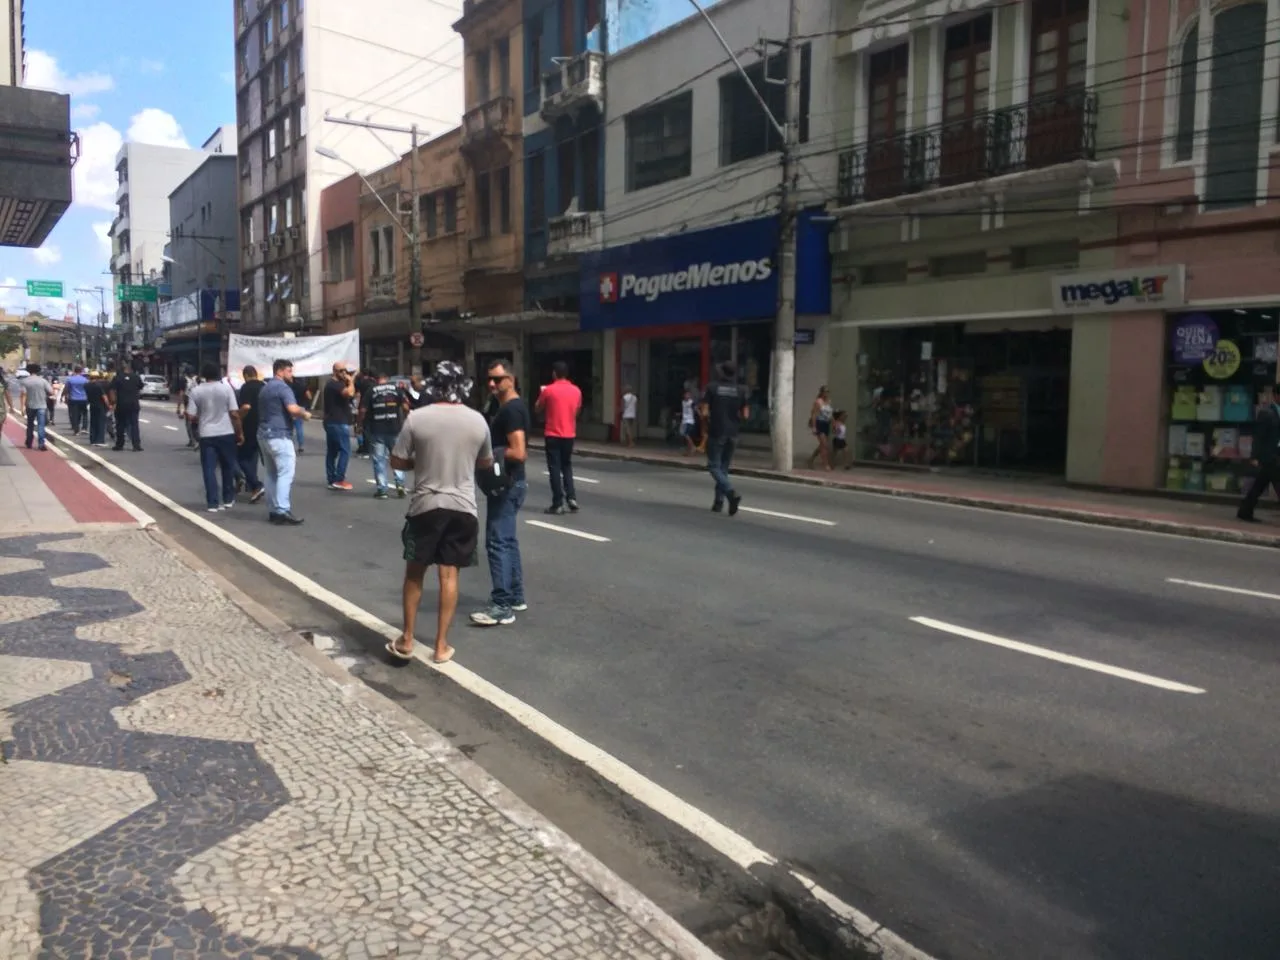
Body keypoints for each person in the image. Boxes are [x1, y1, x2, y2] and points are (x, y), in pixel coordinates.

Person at [386, 361, 494, 664]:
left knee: (415, 572)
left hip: (425, 506)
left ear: (435, 386)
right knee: (449, 575)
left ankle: (407, 639)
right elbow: (485, 463)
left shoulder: (416, 418)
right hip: (462, 508)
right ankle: (441, 645)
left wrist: (421, 463)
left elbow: (396, 461)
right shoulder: (477, 421)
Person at [471, 358, 529, 627]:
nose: (492, 384)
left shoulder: (512, 411)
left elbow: (519, 452)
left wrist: (492, 454)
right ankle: (515, 596)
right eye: (489, 380)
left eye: (498, 379)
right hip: (511, 483)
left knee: (497, 542)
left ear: (511, 379)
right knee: (508, 540)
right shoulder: (505, 407)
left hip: (507, 484)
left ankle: (502, 605)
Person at [258, 358, 311, 525]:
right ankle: (282, 509)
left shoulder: (265, 388)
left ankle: (273, 510)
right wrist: (305, 413)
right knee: (285, 473)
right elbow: (293, 409)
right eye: (289, 370)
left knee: (271, 473)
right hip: (279, 434)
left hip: (263, 434)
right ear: (280, 371)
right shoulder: (283, 387)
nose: (291, 374)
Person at [187, 363, 243, 513]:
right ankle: (228, 499)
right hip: (226, 432)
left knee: (209, 469)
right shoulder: (226, 389)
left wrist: (202, 417)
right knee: (228, 466)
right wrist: (239, 433)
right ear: (219, 374)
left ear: (204, 375)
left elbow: (191, 415)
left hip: (207, 434)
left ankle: (212, 503)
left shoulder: (196, 391)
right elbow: (234, 413)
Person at [703, 361, 750, 516]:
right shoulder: (742, 390)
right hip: (733, 432)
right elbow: (745, 414)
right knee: (723, 468)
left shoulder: (712, 387)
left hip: (717, 431)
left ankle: (730, 492)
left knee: (713, 466)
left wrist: (707, 423)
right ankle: (719, 502)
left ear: (722, 372)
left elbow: (704, 412)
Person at [536, 360, 582, 515]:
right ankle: (571, 497)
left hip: (553, 434)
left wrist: (542, 395)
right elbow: (576, 412)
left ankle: (557, 502)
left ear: (554, 373)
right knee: (567, 466)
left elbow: (538, 408)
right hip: (569, 434)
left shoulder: (548, 390)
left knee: (554, 468)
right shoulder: (576, 391)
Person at [358, 371, 407, 499]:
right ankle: (400, 485)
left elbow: (363, 410)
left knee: (379, 460)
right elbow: (406, 406)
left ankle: (382, 490)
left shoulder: (371, 390)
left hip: (377, 429)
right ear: (387, 379)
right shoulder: (396, 390)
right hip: (395, 429)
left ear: (376, 379)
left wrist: (359, 424)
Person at [1238, 385, 1280, 521]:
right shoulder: (1266, 413)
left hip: (1277, 454)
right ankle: (1245, 511)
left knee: (1259, 486)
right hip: (1269, 456)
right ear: (1276, 396)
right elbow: (1259, 436)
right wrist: (1254, 456)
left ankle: (1245, 511)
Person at [322, 362, 356, 490]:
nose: (344, 373)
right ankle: (339, 479)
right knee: (345, 450)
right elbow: (349, 393)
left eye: (345, 371)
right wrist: (351, 381)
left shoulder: (335, 384)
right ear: (335, 371)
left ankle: (331, 479)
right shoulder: (334, 384)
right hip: (337, 421)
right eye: (341, 371)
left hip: (332, 421)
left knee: (332, 451)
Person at [236, 365, 267, 504]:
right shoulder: (265, 386)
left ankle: (255, 484)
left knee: (240, 457)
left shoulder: (246, 387)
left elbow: (246, 406)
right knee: (253, 456)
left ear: (246, 375)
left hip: (249, 426)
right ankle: (252, 486)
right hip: (264, 425)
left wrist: (238, 416)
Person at [108, 364, 144, 452]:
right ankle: (136, 445)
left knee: (120, 425)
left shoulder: (117, 378)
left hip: (121, 404)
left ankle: (119, 444)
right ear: (130, 370)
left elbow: (112, 390)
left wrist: (113, 402)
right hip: (134, 404)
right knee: (134, 425)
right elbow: (140, 387)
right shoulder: (136, 377)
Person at [19, 363, 52, 451]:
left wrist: (22, 407)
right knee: (41, 425)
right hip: (41, 405)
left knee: (30, 425)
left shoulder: (25, 381)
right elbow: (51, 392)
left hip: (30, 406)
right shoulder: (43, 381)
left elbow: (23, 394)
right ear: (38, 370)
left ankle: (29, 442)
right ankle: (41, 444)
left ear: (28, 371)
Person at [808, 385, 834, 471]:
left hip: (826, 423)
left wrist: (834, 423)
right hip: (820, 423)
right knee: (824, 445)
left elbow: (830, 414)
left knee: (822, 445)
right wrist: (814, 426)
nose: (826, 393)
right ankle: (826, 464)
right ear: (822, 392)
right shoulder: (818, 402)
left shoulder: (828, 401)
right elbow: (814, 415)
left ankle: (811, 459)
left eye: (828, 392)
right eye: (825, 392)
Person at [64, 365, 89, 435]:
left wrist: (65, 396)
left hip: (74, 399)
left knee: (75, 414)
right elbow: (88, 389)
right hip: (84, 398)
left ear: (74, 371)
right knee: (84, 413)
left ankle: (76, 430)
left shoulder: (70, 379)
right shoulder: (85, 380)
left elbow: (66, 389)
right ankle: (84, 428)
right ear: (81, 371)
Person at [86, 372, 109, 447]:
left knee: (93, 422)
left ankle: (92, 440)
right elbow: (104, 397)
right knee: (100, 423)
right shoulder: (98, 386)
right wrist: (108, 405)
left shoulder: (87, 385)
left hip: (92, 404)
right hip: (100, 405)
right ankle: (100, 440)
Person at [291, 377, 312, 452]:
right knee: (299, 427)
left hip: (291, 407)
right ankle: (301, 446)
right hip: (301, 408)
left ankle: (290, 445)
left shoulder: (289, 385)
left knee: (290, 427)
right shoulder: (303, 386)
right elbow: (309, 396)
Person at [680, 388, 697, 455]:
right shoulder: (683, 402)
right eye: (686, 394)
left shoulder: (691, 402)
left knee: (685, 434)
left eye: (688, 395)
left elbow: (695, 408)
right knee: (685, 435)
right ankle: (689, 450)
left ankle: (693, 447)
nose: (687, 396)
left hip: (689, 421)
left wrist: (699, 412)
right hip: (684, 420)